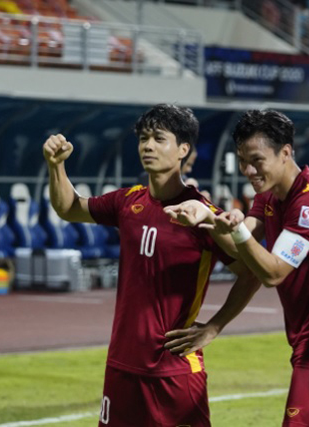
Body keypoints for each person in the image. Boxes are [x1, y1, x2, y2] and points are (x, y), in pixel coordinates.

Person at [43, 104, 261, 427]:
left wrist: (214, 326)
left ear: (183, 150)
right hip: (121, 367)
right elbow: (69, 208)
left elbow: (252, 273)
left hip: (174, 373)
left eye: (160, 138)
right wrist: (56, 166)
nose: (148, 145)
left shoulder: (203, 214)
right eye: (144, 138)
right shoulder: (127, 201)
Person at [165, 109, 309, 427]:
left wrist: (230, 228)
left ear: (285, 152)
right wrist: (208, 218)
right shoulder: (271, 194)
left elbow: (272, 272)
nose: (248, 170)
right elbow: (246, 258)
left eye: (256, 160)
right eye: (242, 161)